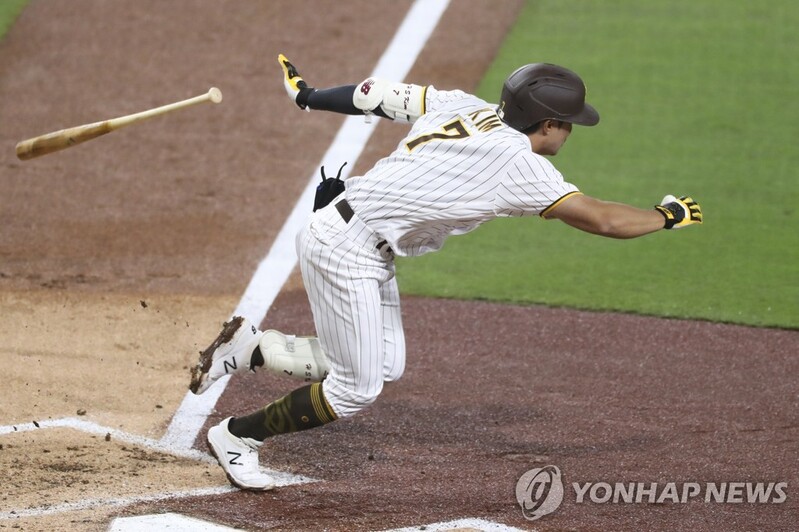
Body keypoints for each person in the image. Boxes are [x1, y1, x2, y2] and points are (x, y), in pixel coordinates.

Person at [189, 54, 703, 490]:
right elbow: (603, 220)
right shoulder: (520, 165)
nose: (569, 132)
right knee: (356, 389)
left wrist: (310, 96)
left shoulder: (467, 106)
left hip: (353, 236)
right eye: (567, 123)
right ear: (547, 124)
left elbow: (374, 96)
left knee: (385, 364)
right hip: (347, 246)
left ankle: (249, 349)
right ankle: (237, 434)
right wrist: (666, 216)